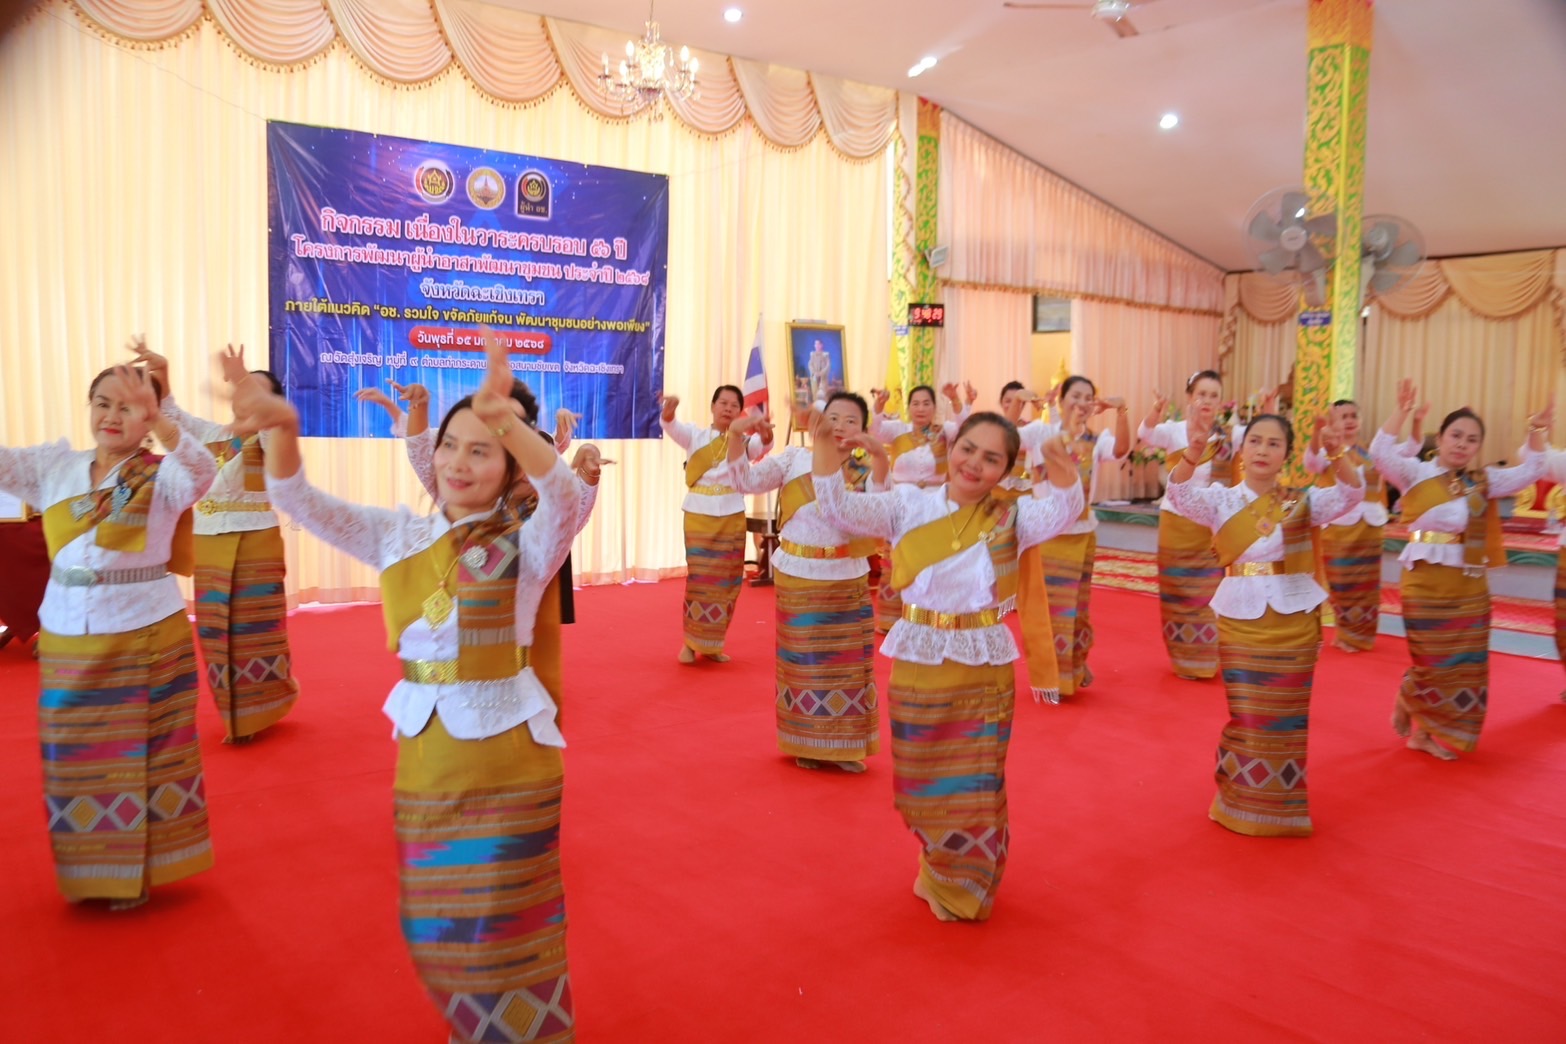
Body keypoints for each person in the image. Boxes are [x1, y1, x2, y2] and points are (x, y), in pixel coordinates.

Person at [246, 331, 579, 1042]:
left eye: (481, 450)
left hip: (509, 757)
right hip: (426, 754)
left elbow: (566, 492)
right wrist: (282, 430)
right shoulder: (398, 536)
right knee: (438, 919)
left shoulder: (531, 542)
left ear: (508, 464)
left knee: (507, 919)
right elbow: (299, 499)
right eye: (451, 446)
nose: (458, 461)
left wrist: (508, 422)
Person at [812, 410, 1083, 922]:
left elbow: (1064, 513)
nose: (974, 464)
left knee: (975, 783)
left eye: (991, 459)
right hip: (920, 658)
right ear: (953, 448)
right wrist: (826, 454)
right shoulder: (908, 503)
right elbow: (840, 509)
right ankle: (936, 865)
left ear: (1005, 471)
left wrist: (1063, 471)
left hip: (982, 664)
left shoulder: (1014, 517)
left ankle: (964, 884)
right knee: (923, 781)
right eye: (968, 449)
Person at [0, 355, 216, 908]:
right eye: (103, 404)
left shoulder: (164, 474)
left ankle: (135, 876)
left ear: (149, 418)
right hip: (65, 630)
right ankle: (90, 873)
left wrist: (164, 415)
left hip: (143, 631)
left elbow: (203, 469)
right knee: (73, 758)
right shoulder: (55, 466)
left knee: (141, 757)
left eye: (129, 407)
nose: (112, 416)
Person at [359, 380, 604, 727]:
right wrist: (417, 410)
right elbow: (424, 458)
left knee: (531, 664)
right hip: (465, 633)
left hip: (529, 610)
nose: (528, 473)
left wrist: (589, 473)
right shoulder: (470, 500)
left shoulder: (545, 518)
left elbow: (574, 511)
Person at [1166, 413, 1364, 836]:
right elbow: (1179, 494)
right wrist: (1193, 454)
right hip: (1241, 618)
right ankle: (1238, 798)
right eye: (1255, 441)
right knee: (1249, 715)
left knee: (1286, 720)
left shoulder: (1302, 501)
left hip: (1294, 621)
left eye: (1274, 444)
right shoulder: (1221, 500)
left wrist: (1336, 454)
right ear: (1242, 449)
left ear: (1286, 455)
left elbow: (1352, 494)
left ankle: (1280, 808)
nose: (1262, 450)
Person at [1371, 380, 1550, 760]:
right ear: (1441, 437)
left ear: (1478, 447)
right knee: (1432, 658)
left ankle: (1424, 733)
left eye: (1471, 440)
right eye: (1455, 435)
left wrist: (1537, 430)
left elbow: (1532, 470)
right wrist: (1401, 412)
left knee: (1461, 663)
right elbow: (1380, 453)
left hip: (1469, 587)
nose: (1462, 444)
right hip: (1424, 582)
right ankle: (1410, 696)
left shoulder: (1483, 482)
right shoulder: (1415, 473)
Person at [134, 340, 300, 742]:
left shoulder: (271, 437)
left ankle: (258, 711)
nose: (245, 397)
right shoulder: (211, 434)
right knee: (214, 633)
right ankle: (233, 716)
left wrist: (242, 379)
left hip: (255, 544)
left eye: (256, 392)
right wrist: (162, 372)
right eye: (242, 390)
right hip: (209, 543)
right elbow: (172, 417)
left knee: (253, 633)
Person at [726, 393, 888, 772]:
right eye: (833, 418)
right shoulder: (794, 459)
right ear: (817, 423)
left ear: (864, 429)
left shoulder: (865, 469)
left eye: (850, 420)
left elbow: (880, 515)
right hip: (798, 574)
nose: (840, 427)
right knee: (804, 664)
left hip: (846, 577)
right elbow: (745, 481)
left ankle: (844, 747)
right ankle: (806, 741)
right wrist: (735, 436)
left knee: (846, 665)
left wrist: (880, 461)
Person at [1138, 371, 1252, 680]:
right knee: (1176, 593)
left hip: (1209, 529)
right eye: (1201, 394)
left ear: (1221, 402)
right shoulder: (1174, 432)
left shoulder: (1227, 436)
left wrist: (1267, 409)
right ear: (1190, 397)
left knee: (1207, 594)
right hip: (1175, 525)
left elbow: (1256, 436)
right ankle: (1182, 659)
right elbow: (1145, 433)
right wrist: (1156, 410)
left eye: (1214, 396)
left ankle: (1205, 659)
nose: (1207, 401)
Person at [1027, 376, 1131, 702]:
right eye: (1075, 396)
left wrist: (1122, 412)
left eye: (1088, 397)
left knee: (1077, 610)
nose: (1082, 403)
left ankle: (1071, 671)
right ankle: (1049, 677)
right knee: (1051, 611)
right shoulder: (1041, 434)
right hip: (1049, 534)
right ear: (1061, 401)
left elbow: (1122, 450)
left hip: (1083, 533)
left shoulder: (1096, 440)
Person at [1302, 399, 1425, 652]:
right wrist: (1317, 432)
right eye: (1343, 416)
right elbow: (1311, 462)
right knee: (1341, 583)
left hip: (1370, 526)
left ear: (1360, 420)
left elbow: (1411, 448)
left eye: (1353, 416)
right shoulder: (1328, 451)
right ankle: (1345, 632)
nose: (1349, 421)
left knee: (1366, 586)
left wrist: (1416, 421)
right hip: (1338, 527)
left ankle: (1361, 636)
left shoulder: (1374, 452)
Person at [660, 385, 772, 664]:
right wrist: (669, 411)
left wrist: (766, 433)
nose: (728, 409)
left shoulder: (743, 442)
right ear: (712, 406)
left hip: (732, 515)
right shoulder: (695, 435)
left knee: (727, 583)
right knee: (700, 581)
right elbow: (671, 425)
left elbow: (763, 445)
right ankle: (690, 644)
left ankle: (712, 644)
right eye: (723, 403)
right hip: (699, 515)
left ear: (740, 411)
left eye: (734, 405)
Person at [867, 381, 976, 633]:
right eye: (915, 403)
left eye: (926, 403)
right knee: (898, 559)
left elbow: (966, 428)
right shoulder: (898, 430)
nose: (921, 408)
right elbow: (874, 429)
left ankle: (930, 616)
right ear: (909, 408)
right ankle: (893, 619)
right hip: (903, 504)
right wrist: (879, 405)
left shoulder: (944, 432)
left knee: (932, 561)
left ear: (934, 408)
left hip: (934, 505)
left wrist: (956, 399)